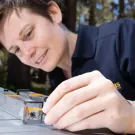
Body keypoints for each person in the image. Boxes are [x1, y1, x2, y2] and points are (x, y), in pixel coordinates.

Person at [0, 0, 135, 134]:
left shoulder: (125, 37)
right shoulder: (56, 77)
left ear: (53, 13)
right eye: (17, 49)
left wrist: (131, 118)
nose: (27, 53)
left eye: (29, 33)